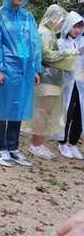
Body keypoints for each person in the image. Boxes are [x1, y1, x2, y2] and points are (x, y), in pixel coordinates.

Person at [0, 0, 41, 167]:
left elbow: (35, 44)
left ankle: (13, 147)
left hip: (25, 70)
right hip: (7, 69)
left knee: (19, 107)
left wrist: (35, 69)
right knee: (4, 107)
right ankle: (1, 148)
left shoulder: (27, 17)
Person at [21, 4, 78, 159]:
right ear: (53, 18)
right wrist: (67, 53)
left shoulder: (49, 33)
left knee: (45, 113)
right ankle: (36, 145)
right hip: (47, 79)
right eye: (61, 21)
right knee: (43, 113)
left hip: (51, 80)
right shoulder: (45, 33)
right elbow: (45, 55)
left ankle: (40, 143)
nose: (61, 25)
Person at [56, 11, 84, 159]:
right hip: (67, 83)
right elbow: (61, 59)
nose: (77, 30)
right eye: (75, 26)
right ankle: (62, 142)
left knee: (80, 113)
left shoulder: (83, 42)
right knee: (67, 112)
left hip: (81, 83)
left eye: (80, 27)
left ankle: (73, 143)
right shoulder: (61, 43)